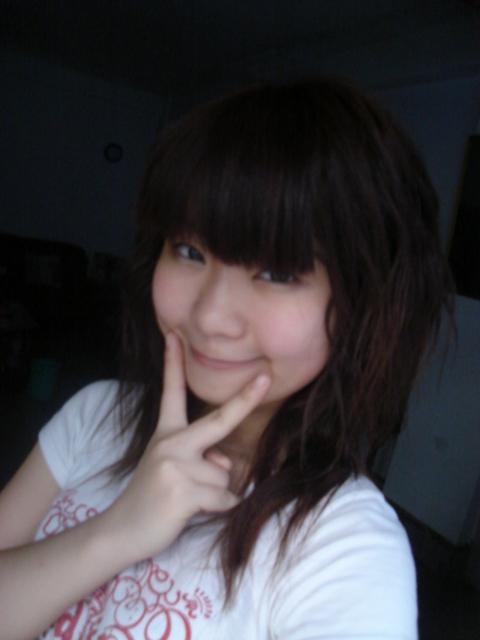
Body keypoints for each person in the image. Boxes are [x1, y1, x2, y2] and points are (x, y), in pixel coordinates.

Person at [0, 78, 453, 639]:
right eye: (189, 250)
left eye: (279, 272)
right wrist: (117, 531)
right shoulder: (97, 415)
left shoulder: (346, 547)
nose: (210, 316)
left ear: (363, 303)